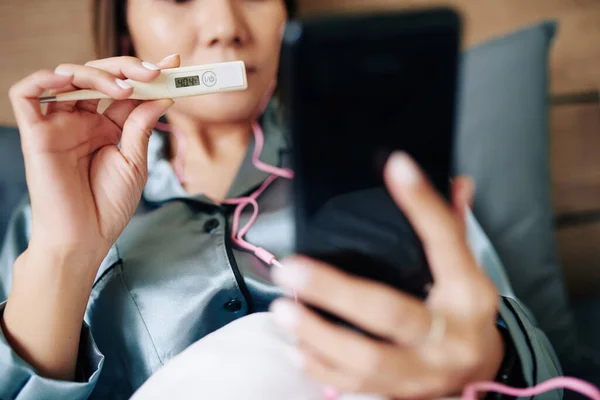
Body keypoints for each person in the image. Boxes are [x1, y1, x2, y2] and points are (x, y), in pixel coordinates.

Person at [0, 0, 562, 399]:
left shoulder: (382, 168)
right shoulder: (53, 211)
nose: (225, 26)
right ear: (126, 34)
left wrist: (492, 360)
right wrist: (64, 252)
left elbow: (536, 373)